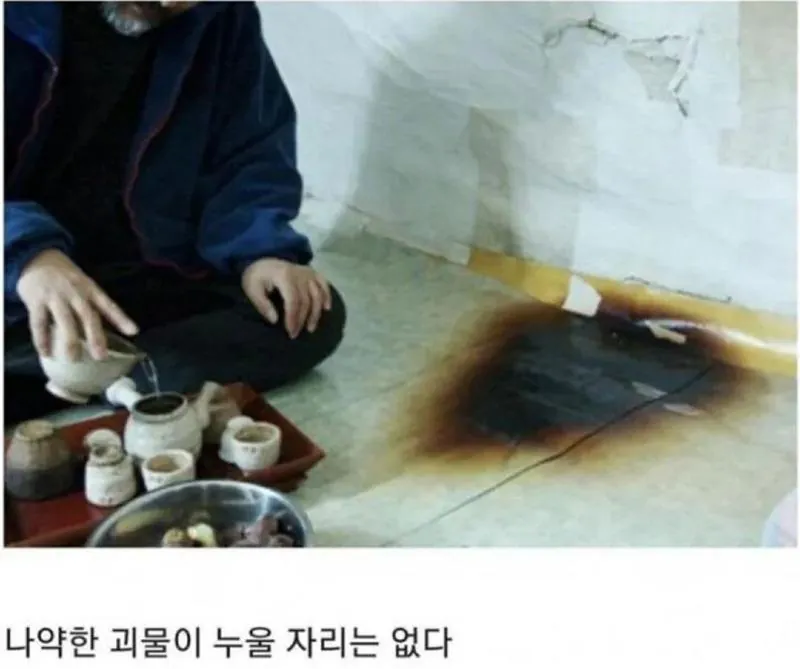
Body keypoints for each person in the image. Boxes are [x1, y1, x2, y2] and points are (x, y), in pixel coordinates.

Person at [5, 1, 346, 425]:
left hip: (146, 267)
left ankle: (81, 373)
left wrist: (261, 251)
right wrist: (28, 258)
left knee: (305, 312)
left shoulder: (221, 15)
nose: (170, 2)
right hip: (19, 283)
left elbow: (248, 152)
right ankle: (124, 378)